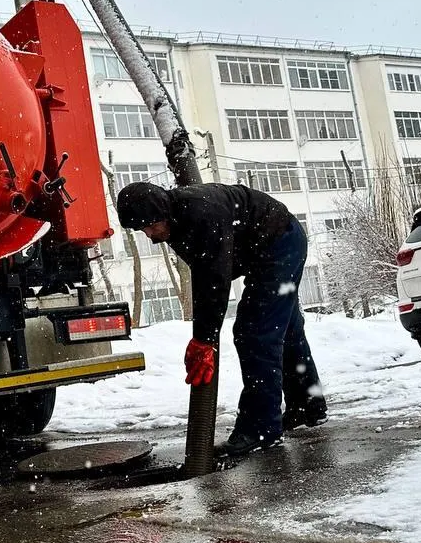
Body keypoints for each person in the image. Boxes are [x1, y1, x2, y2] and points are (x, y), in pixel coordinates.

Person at [116, 181, 327, 456]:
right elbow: (207, 274)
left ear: (161, 211)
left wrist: (203, 340)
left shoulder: (200, 214)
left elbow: (214, 282)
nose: (149, 233)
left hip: (280, 244)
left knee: (255, 334)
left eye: (149, 225)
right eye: (141, 229)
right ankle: (306, 406)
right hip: (270, 246)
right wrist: (204, 335)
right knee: (285, 330)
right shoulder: (176, 223)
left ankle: (260, 429)